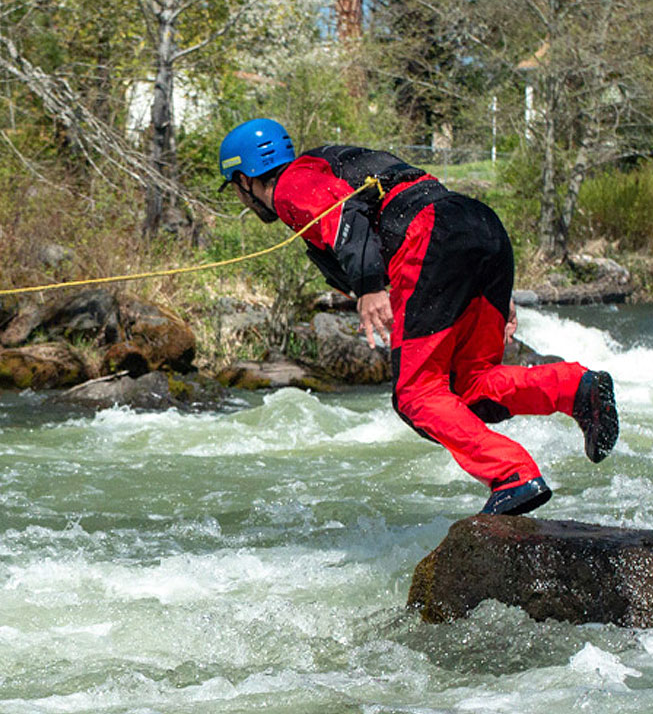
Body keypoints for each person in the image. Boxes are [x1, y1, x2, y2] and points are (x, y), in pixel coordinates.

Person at [217, 118, 618, 516]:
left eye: (235, 187)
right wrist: (490, 286)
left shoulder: (292, 183)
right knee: (469, 384)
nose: (240, 198)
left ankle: (512, 475)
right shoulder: (326, 164)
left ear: (245, 178)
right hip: (480, 229)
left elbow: (345, 218)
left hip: (430, 236)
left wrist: (370, 287)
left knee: (417, 395)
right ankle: (575, 388)